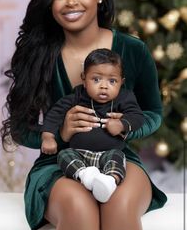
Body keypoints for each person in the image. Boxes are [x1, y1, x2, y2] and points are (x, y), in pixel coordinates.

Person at [1, 0, 167, 230]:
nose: (70, 2)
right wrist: (59, 133)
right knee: (79, 207)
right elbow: (19, 128)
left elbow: (154, 114)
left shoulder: (133, 50)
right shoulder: (38, 54)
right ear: (50, 4)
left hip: (119, 159)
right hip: (59, 164)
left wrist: (126, 128)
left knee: (119, 202)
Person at [41, 48, 145, 203]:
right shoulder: (77, 97)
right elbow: (54, 114)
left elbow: (138, 117)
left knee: (118, 158)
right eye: (96, 79)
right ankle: (86, 176)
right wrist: (48, 137)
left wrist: (123, 124)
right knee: (64, 155)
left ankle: (110, 182)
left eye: (112, 81)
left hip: (109, 152)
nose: (104, 86)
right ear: (84, 79)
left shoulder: (124, 98)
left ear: (121, 82)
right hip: (80, 153)